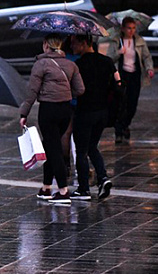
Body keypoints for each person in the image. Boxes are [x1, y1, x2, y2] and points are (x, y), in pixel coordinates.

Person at [19, 34, 85, 204]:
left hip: (48, 110)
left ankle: (63, 190)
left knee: (53, 148)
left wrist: (24, 114)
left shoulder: (41, 64)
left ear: (46, 45)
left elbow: (32, 92)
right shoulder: (71, 64)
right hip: (65, 110)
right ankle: (46, 187)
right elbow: (80, 89)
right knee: (50, 145)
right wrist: (65, 92)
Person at [70, 35, 118, 200]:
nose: (72, 46)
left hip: (85, 112)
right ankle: (103, 178)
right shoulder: (107, 62)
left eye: (74, 43)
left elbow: (75, 89)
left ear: (84, 43)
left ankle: (83, 189)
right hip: (102, 113)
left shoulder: (78, 65)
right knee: (92, 147)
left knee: (81, 150)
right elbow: (117, 84)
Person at [105, 17, 154, 143]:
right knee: (121, 103)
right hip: (121, 76)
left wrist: (149, 68)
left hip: (134, 76)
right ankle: (119, 129)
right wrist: (119, 53)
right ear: (123, 29)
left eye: (133, 28)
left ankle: (124, 125)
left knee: (132, 105)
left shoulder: (139, 41)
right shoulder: (116, 41)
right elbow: (109, 59)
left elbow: (146, 56)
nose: (131, 31)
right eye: (128, 28)